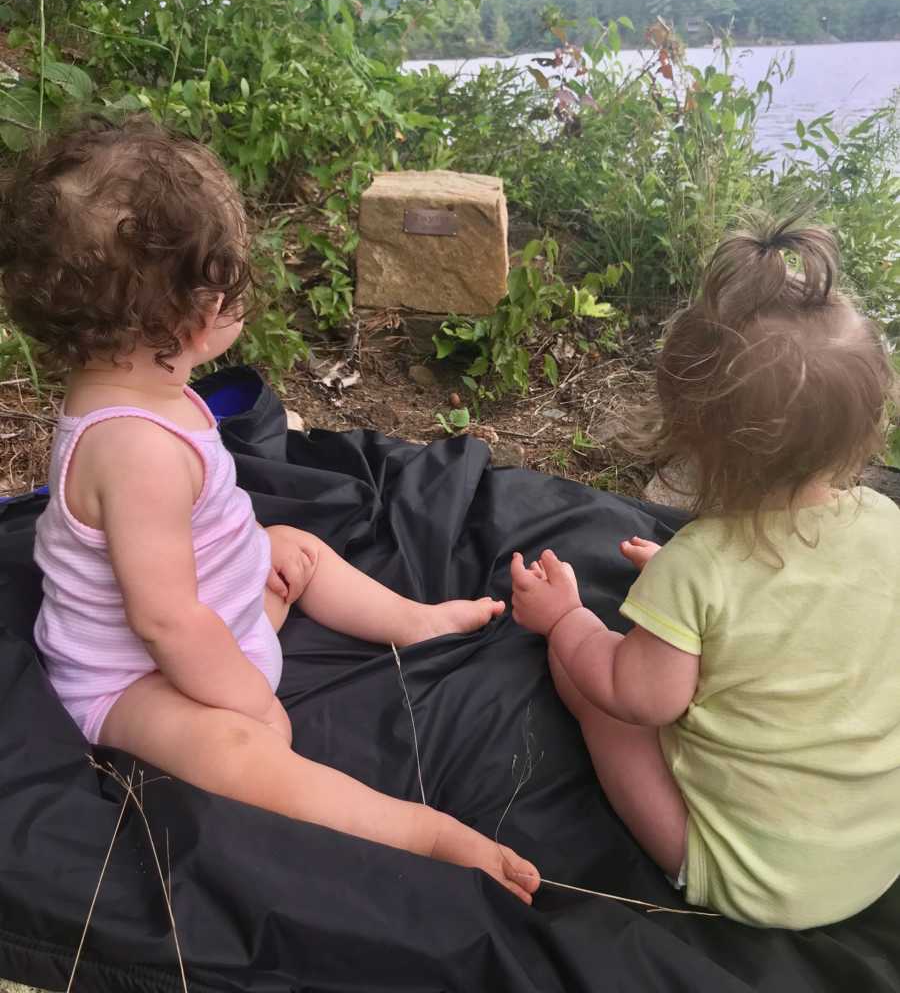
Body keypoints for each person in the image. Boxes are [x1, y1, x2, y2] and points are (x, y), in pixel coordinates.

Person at [0, 119, 539, 904]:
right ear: (191, 316)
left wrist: (250, 578)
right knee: (239, 750)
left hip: (215, 612)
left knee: (294, 546)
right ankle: (418, 832)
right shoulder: (136, 450)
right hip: (131, 676)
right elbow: (165, 623)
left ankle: (413, 624)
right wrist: (248, 698)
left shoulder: (131, 380)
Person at [511, 219, 899, 929]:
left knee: (594, 696)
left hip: (748, 876)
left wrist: (565, 619)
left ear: (695, 436)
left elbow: (641, 699)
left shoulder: (700, 566)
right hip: (873, 859)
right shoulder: (886, 524)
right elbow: (804, 617)